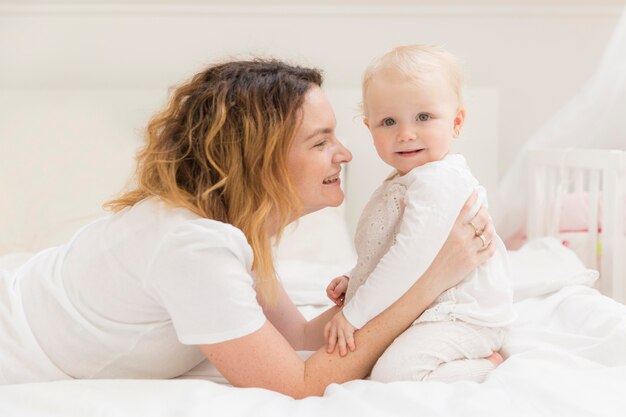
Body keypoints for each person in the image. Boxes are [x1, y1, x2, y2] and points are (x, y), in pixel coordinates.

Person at [0, 58, 497, 398]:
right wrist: (432, 278)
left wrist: (404, 285)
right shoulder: (193, 246)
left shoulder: (230, 227)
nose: (344, 154)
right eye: (321, 141)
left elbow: (302, 335)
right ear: (261, 160)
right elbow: (299, 382)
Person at [324, 45, 516, 383]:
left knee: (393, 375)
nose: (406, 133)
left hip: (463, 315)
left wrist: (354, 314)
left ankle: (487, 364)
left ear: (456, 122)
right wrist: (358, 276)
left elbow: (409, 258)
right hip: (428, 310)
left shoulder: (439, 181)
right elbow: (396, 246)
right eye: (388, 121)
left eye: (423, 117)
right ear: (370, 130)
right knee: (373, 362)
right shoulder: (407, 181)